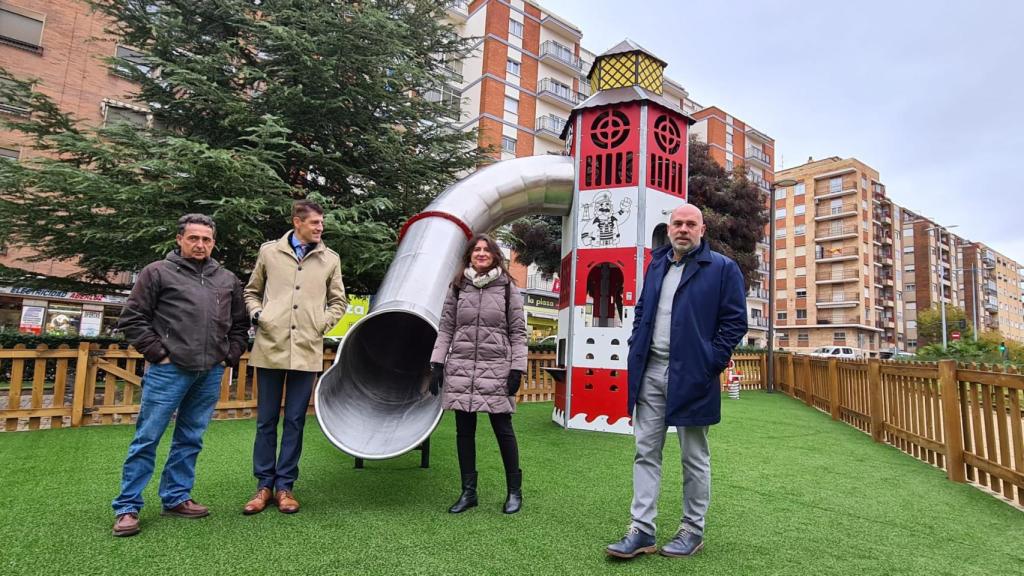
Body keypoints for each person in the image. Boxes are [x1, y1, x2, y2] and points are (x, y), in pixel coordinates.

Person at [606, 204, 747, 559]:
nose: (683, 229)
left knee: (694, 456)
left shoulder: (722, 268)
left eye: (690, 224)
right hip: (649, 371)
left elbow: (734, 323)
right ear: (669, 229)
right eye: (677, 223)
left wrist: (710, 363)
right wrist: (635, 344)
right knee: (645, 452)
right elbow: (642, 311)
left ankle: (692, 530)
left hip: (694, 375)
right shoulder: (657, 264)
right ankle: (641, 530)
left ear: (702, 229)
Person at [112, 214, 250, 537]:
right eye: (193, 238)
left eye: (206, 239)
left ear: (214, 242)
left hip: (209, 372)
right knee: (147, 438)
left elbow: (240, 325)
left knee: (190, 438)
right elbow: (132, 319)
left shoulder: (226, 279)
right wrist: (158, 354)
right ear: (180, 239)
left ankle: (176, 497)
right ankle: (128, 506)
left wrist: (228, 356)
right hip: (168, 371)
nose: (200, 244)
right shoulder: (157, 272)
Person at [242, 200, 347, 515]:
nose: (320, 227)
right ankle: (263, 486)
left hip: (307, 347)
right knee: (266, 421)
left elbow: (338, 301)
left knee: (296, 421)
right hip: (270, 346)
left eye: (321, 223)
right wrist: (259, 315)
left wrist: (321, 324)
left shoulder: (330, 259)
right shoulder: (269, 252)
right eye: (314, 222)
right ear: (297, 222)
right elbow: (251, 291)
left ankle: (285, 487)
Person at [429, 234, 527, 514]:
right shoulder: (459, 287)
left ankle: (514, 491)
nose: (481, 253)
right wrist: (437, 363)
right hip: (461, 366)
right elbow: (447, 327)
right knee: (464, 431)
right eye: (476, 250)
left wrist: (517, 368)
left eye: (486, 250)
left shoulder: (508, 288)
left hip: (496, 367)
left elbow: (518, 332)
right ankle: (468, 492)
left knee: (503, 429)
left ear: (495, 255)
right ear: (469, 255)